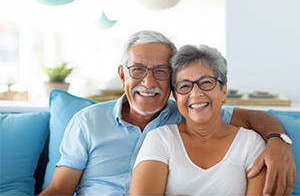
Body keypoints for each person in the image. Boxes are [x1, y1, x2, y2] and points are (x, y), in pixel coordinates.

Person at [40, 30, 296, 196]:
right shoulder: (87, 121)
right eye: (137, 69)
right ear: (122, 75)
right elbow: (59, 189)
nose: (149, 82)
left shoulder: (193, 113)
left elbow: (255, 117)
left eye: (161, 71)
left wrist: (279, 142)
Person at [130, 44, 267, 195]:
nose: (195, 93)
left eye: (206, 82)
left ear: (224, 91)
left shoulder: (251, 143)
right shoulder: (161, 139)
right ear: (176, 97)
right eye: (184, 86)